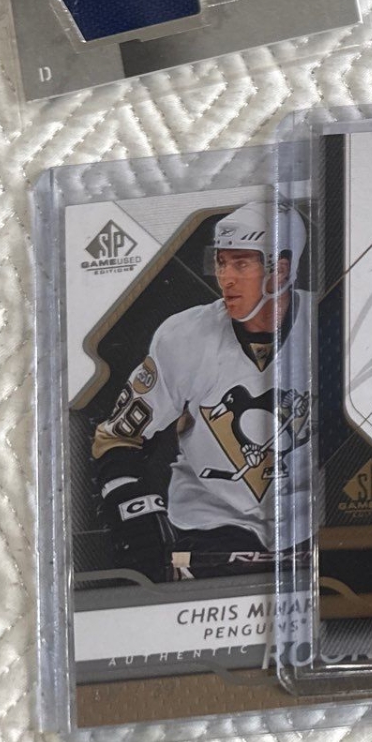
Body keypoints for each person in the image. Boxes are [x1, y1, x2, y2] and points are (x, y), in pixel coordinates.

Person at [92, 202, 308, 582]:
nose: (226, 278)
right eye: (221, 263)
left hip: (307, 529)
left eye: (241, 264)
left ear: (282, 270)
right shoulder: (185, 336)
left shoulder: (333, 324)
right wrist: (133, 509)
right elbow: (116, 437)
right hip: (208, 531)